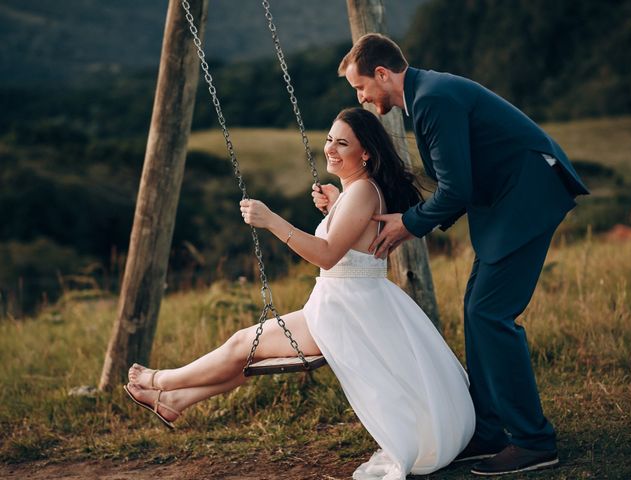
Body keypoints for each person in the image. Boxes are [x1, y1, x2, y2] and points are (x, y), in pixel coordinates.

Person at [124, 107, 475, 479]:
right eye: (329, 139)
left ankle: (159, 381)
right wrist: (335, 202)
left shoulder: (363, 194)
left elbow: (326, 256)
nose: (330, 149)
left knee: (242, 343)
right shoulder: (358, 191)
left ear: (366, 153)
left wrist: (271, 220)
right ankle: (176, 400)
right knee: (253, 354)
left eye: (343, 143)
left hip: (346, 313)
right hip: (352, 305)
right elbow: (353, 241)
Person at [322, 33, 590, 476]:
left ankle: (533, 441)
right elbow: (459, 180)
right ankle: (487, 433)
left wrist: (409, 224)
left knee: (490, 314)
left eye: (361, 87)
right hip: (506, 203)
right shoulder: (427, 95)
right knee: (477, 310)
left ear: (382, 74)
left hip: (527, 197)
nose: (362, 97)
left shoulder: (432, 100)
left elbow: (456, 188)